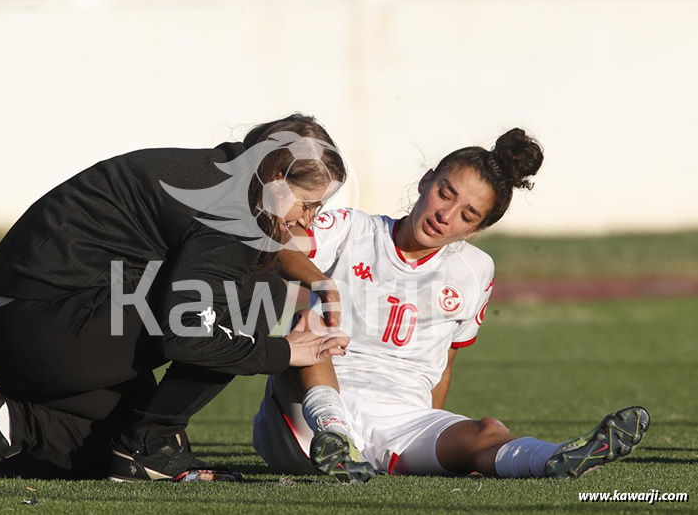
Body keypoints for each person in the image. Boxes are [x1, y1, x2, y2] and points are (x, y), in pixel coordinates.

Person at [0, 113, 352, 482]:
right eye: (309, 205)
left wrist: (321, 282)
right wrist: (283, 352)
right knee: (261, 291)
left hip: (19, 323)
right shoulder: (232, 209)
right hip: (43, 329)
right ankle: (151, 444)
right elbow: (188, 333)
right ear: (278, 175)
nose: (308, 220)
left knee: (110, 448)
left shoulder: (231, 173)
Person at [253, 128, 649, 482]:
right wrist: (321, 281)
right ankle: (335, 436)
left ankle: (556, 457)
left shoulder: (475, 270)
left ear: (476, 230)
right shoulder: (353, 228)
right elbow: (282, 243)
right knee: (312, 326)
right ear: (426, 182)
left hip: (402, 418)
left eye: (467, 214)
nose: (446, 215)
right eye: (445, 192)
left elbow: (444, 365)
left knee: (487, 432)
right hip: (308, 412)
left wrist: (434, 429)